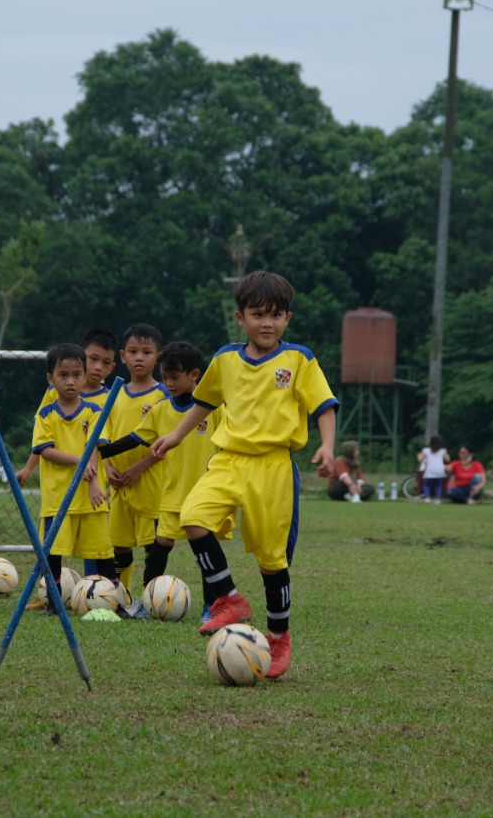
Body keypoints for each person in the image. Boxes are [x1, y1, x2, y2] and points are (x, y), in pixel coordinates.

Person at [152, 271, 338, 680]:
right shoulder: (224, 360)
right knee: (193, 517)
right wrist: (176, 436)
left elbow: (324, 405)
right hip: (229, 459)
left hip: (273, 467)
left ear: (287, 318)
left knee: (272, 563)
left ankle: (279, 638)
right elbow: (204, 401)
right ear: (241, 318)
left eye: (275, 315)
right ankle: (229, 598)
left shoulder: (299, 360)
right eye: (257, 315)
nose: (266, 323)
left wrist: (327, 446)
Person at [106, 341, 232, 619]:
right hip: (172, 493)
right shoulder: (161, 410)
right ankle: (147, 601)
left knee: (204, 551)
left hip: (206, 492)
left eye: (175, 377)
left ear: (194, 375)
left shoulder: (213, 408)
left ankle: (211, 607)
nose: (170, 383)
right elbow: (133, 439)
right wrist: (99, 450)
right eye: (165, 378)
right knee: (161, 543)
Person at [32, 343, 115, 611]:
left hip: (90, 496)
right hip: (58, 497)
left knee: (102, 550)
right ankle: (53, 602)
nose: (71, 381)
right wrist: (77, 461)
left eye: (77, 375)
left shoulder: (93, 411)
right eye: (63, 375)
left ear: (85, 375)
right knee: (52, 552)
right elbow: (45, 451)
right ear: (50, 379)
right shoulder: (46, 414)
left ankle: (112, 601)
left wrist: (92, 482)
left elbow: (95, 446)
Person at [102, 323, 168, 599]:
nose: (139, 357)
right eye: (133, 351)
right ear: (122, 356)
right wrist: (107, 467)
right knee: (119, 544)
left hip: (150, 482)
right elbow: (104, 436)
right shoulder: (113, 394)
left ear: (158, 357)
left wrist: (140, 468)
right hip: (118, 484)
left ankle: (151, 597)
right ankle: (120, 594)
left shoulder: (163, 395)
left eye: (146, 351)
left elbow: (167, 443)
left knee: (152, 544)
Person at [14, 329, 117, 487]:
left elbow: (104, 444)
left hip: (90, 485)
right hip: (57, 483)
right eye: (93, 359)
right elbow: (42, 439)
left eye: (106, 362)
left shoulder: (110, 400)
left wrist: (107, 473)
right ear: (81, 357)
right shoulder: (53, 393)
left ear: (112, 367)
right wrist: (28, 469)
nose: (98, 367)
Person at [417, 435, 449, 504]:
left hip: (430, 469)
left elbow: (421, 459)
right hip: (439, 470)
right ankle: (438, 499)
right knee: (438, 485)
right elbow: (448, 460)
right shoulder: (442, 451)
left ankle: (427, 498)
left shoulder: (426, 450)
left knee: (427, 484)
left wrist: (419, 455)